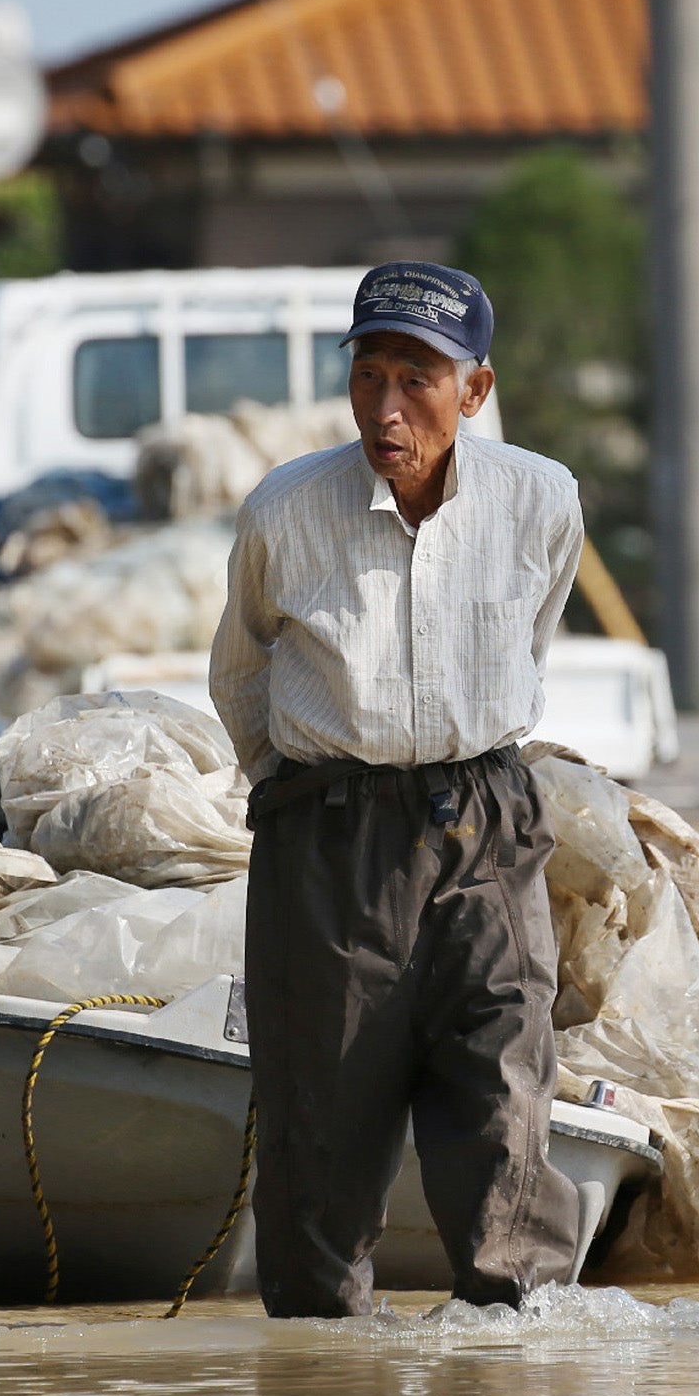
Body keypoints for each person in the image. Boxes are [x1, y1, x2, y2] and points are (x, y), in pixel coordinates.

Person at [209, 261, 585, 1319]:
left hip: (489, 829)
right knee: (320, 1141)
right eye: (367, 375)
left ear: (473, 391)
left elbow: (531, 638)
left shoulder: (539, 499)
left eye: (416, 380)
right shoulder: (286, 511)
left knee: (504, 1104)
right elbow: (239, 679)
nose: (385, 406)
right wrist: (307, 798)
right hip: (327, 840)